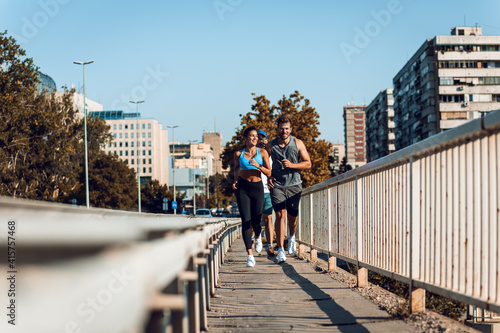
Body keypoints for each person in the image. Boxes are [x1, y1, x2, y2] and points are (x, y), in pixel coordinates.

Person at [268, 115, 311, 263]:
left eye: (286, 128)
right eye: (281, 128)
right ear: (277, 128)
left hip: (294, 185)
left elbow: (308, 163)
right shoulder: (271, 145)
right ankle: (280, 249)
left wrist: (292, 165)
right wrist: (268, 176)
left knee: (292, 217)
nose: (284, 131)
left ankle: (291, 237)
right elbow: (264, 164)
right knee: (280, 215)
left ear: (290, 129)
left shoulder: (298, 143)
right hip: (278, 186)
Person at [233, 127, 272, 267]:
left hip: (257, 188)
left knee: (256, 220)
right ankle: (249, 255)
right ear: (245, 138)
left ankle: (257, 236)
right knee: (245, 220)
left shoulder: (263, 152)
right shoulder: (239, 153)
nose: (255, 138)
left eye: (256, 136)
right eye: (251, 136)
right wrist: (235, 180)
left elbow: (269, 173)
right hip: (243, 188)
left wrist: (259, 166)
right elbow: (237, 167)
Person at [257, 130, 275, 257]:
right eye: (259, 138)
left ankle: (270, 246)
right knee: (255, 219)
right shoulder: (252, 154)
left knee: (268, 218)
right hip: (255, 189)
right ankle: (256, 238)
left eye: (263, 138)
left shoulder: (272, 154)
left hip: (268, 190)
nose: (261, 141)